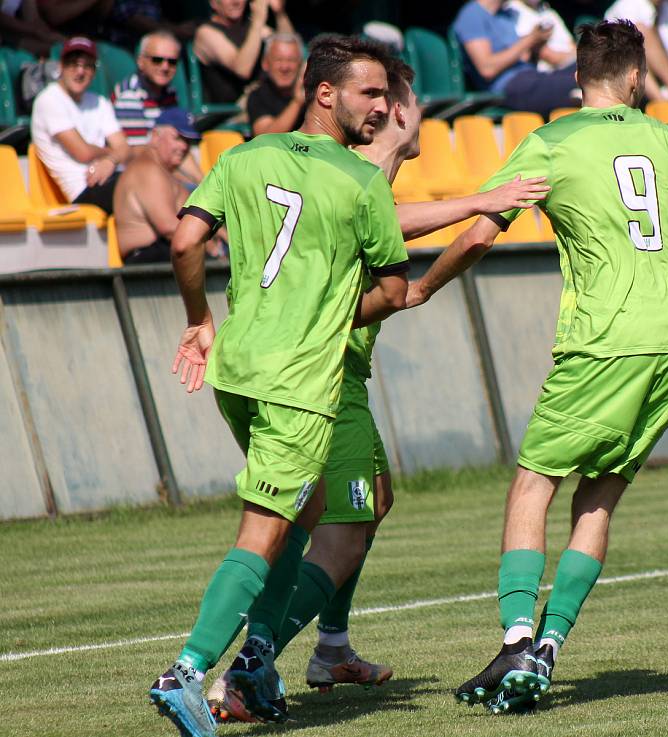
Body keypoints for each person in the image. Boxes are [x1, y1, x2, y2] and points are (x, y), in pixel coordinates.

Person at [405, 19, 668, 715]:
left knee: (531, 484)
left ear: (578, 76)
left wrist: (422, 288)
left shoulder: (551, 141)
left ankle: (518, 637)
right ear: (637, 78)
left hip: (605, 340)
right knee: (599, 495)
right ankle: (547, 650)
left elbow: (481, 231)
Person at [204, 57, 551, 722]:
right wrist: (474, 206)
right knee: (337, 521)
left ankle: (330, 643)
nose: (417, 112)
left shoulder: (367, 168)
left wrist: (418, 286)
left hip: (331, 366)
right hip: (323, 373)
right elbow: (390, 218)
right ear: (394, 111)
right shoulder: (361, 170)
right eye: (408, 101)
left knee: (370, 500)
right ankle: (250, 664)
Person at [148, 35, 410, 737]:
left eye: (386, 95)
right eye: (370, 93)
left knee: (312, 502)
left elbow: (183, 243)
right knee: (264, 529)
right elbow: (394, 288)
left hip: (238, 368)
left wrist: (200, 319)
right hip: (299, 381)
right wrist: (327, 318)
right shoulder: (360, 182)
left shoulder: (243, 154)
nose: (382, 107)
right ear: (326, 93)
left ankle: (259, 659)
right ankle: (187, 671)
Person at [31, 36, 131, 213]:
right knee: (144, 184)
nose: (80, 71)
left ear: (94, 71)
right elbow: (83, 153)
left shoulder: (99, 102)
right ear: (61, 66)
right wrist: (112, 154)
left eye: (87, 65)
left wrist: (111, 160)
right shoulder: (49, 100)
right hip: (85, 189)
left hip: (112, 178)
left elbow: (124, 148)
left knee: (157, 177)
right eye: (73, 64)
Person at [452, 0, 579, 116]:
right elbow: (487, 69)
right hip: (509, 87)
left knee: (588, 70)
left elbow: (523, 56)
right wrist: (531, 38)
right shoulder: (472, 15)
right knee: (580, 82)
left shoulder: (506, 15)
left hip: (533, 76)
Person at [112, 29, 203, 184]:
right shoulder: (129, 96)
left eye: (172, 62)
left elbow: (179, 144)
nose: (165, 67)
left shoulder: (169, 92)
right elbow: (138, 153)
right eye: (157, 60)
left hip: (164, 168)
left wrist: (202, 182)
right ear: (141, 62)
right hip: (137, 177)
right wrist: (188, 184)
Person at [113, 108, 202, 263]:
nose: (183, 147)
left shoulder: (168, 173)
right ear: (155, 136)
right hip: (149, 264)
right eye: (177, 138)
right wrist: (214, 246)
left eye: (187, 141)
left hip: (167, 254)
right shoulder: (147, 169)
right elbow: (168, 227)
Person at [194, 0, 295, 105]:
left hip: (263, 102)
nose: (236, 2)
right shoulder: (205, 33)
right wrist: (258, 20)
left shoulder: (253, 27)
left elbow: (291, 48)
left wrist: (279, 14)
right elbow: (242, 69)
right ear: (213, 2)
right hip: (229, 113)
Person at [246, 32, 305, 135]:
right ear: (265, 63)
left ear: (300, 63)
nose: (285, 67)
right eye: (278, 60)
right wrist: (297, 101)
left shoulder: (313, 95)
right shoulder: (258, 96)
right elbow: (265, 138)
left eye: (291, 60)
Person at [506, 0, 576, 72]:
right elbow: (547, 55)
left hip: (572, 66)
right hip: (550, 73)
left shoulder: (548, 11)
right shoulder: (512, 11)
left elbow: (571, 44)